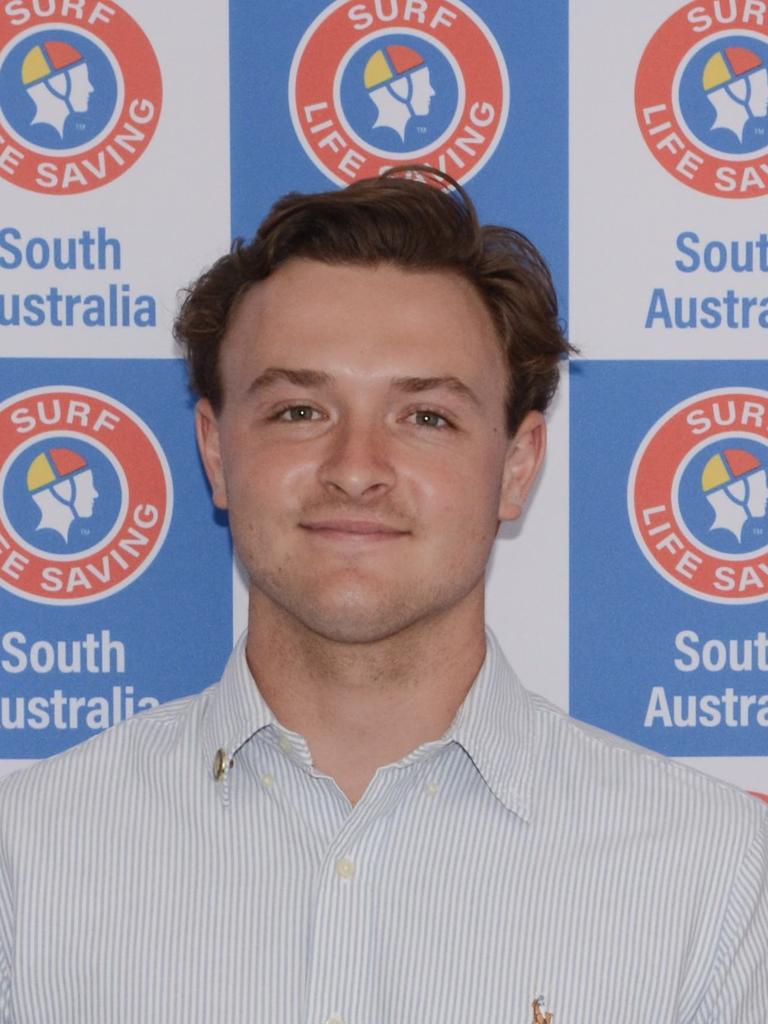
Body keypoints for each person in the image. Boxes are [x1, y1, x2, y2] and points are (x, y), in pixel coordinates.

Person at [0, 168, 765, 1023]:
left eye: (426, 417)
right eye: (298, 411)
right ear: (216, 454)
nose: (356, 469)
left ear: (517, 466)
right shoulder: (26, 862)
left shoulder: (714, 876)